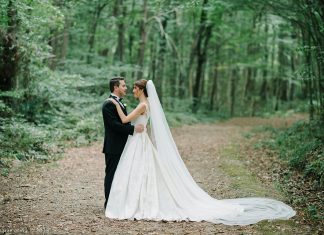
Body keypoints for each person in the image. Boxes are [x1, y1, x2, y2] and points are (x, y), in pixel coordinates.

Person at [105, 79, 296, 225]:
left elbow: (124, 120)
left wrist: (114, 105)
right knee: (141, 172)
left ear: (141, 90)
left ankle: (134, 203)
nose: (131, 89)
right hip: (140, 141)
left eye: (135, 88)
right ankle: (135, 201)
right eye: (127, 86)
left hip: (139, 142)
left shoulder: (142, 105)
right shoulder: (147, 105)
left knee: (138, 172)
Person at [102, 77, 144, 209]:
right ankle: (109, 203)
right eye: (124, 86)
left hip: (123, 145)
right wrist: (133, 129)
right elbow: (114, 125)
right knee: (111, 174)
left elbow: (123, 120)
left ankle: (118, 202)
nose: (126, 88)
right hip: (113, 146)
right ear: (116, 87)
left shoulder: (119, 103)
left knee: (120, 174)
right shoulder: (108, 103)